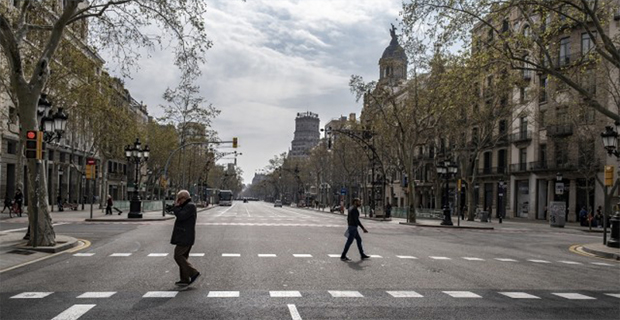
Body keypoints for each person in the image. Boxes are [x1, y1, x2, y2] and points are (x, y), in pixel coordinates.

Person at [170, 190, 200, 287]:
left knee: (178, 255)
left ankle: (193, 272)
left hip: (185, 236)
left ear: (184, 198)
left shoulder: (190, 206)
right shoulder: (187, 206)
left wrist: (176, 207)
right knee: (183, 257)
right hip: (185, 236)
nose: (178, 201)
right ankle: (184, 279)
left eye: (179, 199)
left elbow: (181, 216)